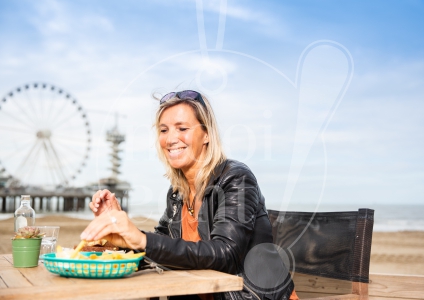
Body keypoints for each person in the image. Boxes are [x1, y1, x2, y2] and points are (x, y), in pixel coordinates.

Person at [81, 90, 298, 300]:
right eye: (163, 130)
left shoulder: (236, 179)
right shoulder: (178, 193)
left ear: (206, 134)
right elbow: (162, 249)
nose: (170, 139)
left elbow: (226, 254)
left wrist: (142, 240)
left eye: (182, 128)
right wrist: (122, 235)